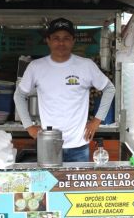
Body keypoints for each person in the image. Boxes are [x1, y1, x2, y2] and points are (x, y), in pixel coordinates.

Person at [14, 17, 115, 162]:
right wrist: (29, 126)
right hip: (48, 145)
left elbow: (109, 89)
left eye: (66, 38)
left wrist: (97, 121)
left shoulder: (86, 65)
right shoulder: (36, 67)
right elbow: (19, 95)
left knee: (78, 185)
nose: (61, 43)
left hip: (79, 145)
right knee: (48, 185)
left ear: (73, 41)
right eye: (56, 38)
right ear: (48, 40)